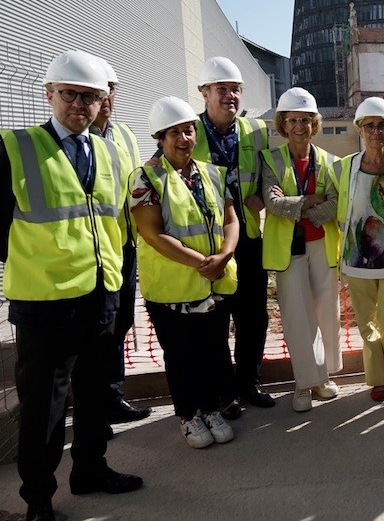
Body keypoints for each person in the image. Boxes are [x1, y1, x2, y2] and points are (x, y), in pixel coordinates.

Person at [0, 50, 142, 521]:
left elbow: (114, 217)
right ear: (49, 94)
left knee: (95, 390)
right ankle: (38, 501)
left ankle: (90, 469)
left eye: (90, 97)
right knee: (44, 406)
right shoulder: (14, 147)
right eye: (69, 94)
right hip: (46, 304)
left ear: (103, 101)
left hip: (102, 294)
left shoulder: (107, 150)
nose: (80, 104)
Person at [132, 96, 239, 449]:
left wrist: (223, 255)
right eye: (174, 132)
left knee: (211, 349)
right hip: (173, 289)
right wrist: (203, 264)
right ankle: (188, 415)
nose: (183, 138)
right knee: (180, 355)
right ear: (160, 137)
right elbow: (152, 232)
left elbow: (230, 219)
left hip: (213, 283)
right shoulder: (145, 177)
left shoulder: (210, 172)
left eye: (189, 130)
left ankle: (210, 408)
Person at [194, 56, 273, 415]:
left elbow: (273, 170)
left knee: (253, 315)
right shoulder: (187, 132)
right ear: (204, 93)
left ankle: (249, 382)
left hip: (251, 238)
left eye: (235, 89)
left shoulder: (256, 131)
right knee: (214, 319)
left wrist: (263, 191)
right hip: (209, 244)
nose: (230, 96)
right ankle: (224, 392)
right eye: (221, 89)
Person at [261, 87, 342, 412]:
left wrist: (298, 207)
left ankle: (321, 379)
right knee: (297, 317)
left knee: (325, 315)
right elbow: (273, 202)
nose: (299, 126)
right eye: (293, 120)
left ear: (314, 123)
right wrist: (311, 201)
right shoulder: (271, 160)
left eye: (306, 120)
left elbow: (335, 203)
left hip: (321, 244)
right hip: (289, 250)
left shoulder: (328, 162)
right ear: (283, 123)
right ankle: (303, 384)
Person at [334, 97, 384, 402]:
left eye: (382, 125)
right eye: (369, 125)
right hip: (357, 259)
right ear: (360, 129)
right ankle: (379, 379)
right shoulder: (344, 168)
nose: (376, 131)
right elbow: (330, 202)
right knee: (367, 323)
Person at [90, 57, 152, 426]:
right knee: (94, 332)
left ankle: (111, 397)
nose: (107, 97)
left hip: (125, 247)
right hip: (93, 251)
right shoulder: (78, 138)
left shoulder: (125, 134)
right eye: (100, 91)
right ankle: (92, 410)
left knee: (120, 322)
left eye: (111, 90)